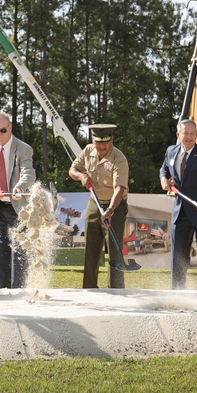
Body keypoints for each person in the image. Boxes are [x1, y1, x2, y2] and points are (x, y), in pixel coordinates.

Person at [69, 124, 133, 289]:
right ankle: (89, 290)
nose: (102, 146)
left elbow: (119, 189)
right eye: (98, 142)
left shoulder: (119, 158)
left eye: (105, 142)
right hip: (94, 204)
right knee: (90, 250)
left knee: (114, 251)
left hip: (115, 207)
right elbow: (72, 169)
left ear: (112, 139)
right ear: (92, 139)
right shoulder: (88, 151)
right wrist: (81, 176)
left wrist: (110, 210)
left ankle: (117, 291)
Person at [160, 119, 197, 289]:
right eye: (186, 133)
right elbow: (164, 168)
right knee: (178, 257)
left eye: (193, 133)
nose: (190, 137)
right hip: (181, 212)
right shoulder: (171, 151)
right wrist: (163, 179)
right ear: (178, 135)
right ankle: (177, 292)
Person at [0, 112, 35, 289]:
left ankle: (19, 293)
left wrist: (20, 187)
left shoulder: (24, 148)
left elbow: (28, 173)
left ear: (10, 127)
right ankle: (2, 292)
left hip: (21, 208)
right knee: (3, 255)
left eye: (3, 130)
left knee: (20, 256)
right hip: (1, 207)